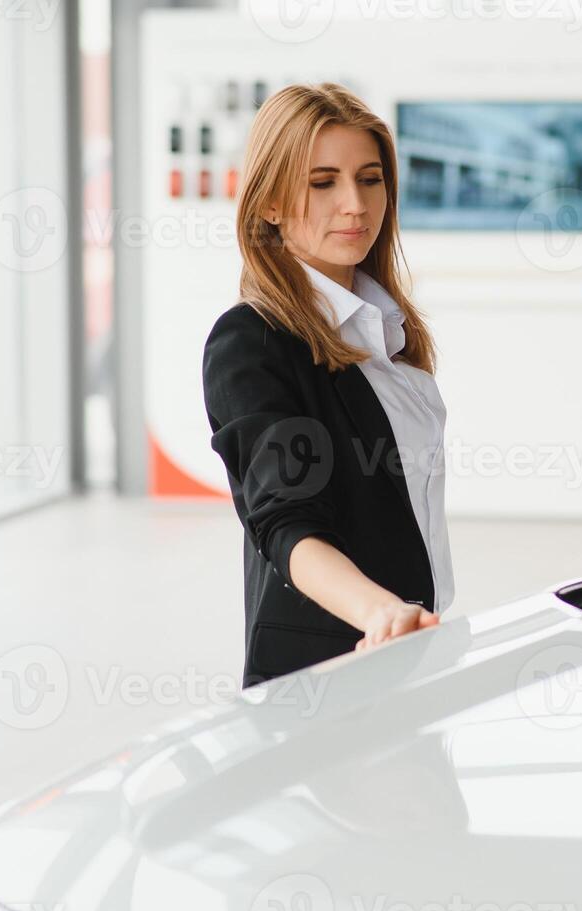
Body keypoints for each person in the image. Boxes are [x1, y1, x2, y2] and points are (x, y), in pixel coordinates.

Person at [202, 83, 451, 688]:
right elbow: (285, 521)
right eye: (323, 183)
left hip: (410, 646)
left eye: (370, 178)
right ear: (269, 203)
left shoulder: (386, 329)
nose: (355, 204)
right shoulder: (253, 341)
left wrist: (407, 620)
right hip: (329, 671)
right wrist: (381, 611)